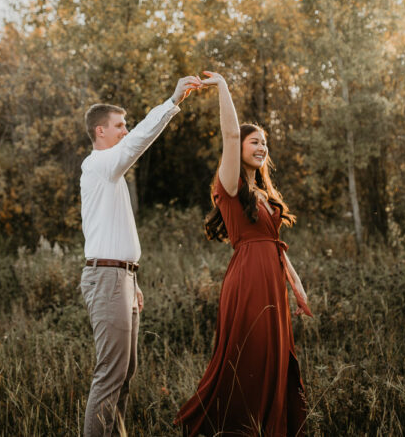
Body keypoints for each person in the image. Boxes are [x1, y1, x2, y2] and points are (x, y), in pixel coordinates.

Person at [175, 71, 311, 437]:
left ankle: (270, 427)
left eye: (264, 143)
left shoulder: (264, 195)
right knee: (249, 354)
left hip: (272, 279)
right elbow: (231, 134)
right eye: (255, 142)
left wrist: (296, 285)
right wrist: (222, 87)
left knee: (275, 356)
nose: (261, 147)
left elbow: (275, 243)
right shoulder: (229, 184)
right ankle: (230, 428)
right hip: (249, 279)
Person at [80, 75, 202, 437]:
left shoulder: (111, 176)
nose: (125, 130)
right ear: (100, 131)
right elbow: (137, 143)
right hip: (107, 280)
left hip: (122, 279)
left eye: (125, 124)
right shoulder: (99, 166)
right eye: (119, 125)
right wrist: (173, 102)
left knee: (125, 374)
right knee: (110, 375)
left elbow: (113, 234)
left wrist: (133, 279)